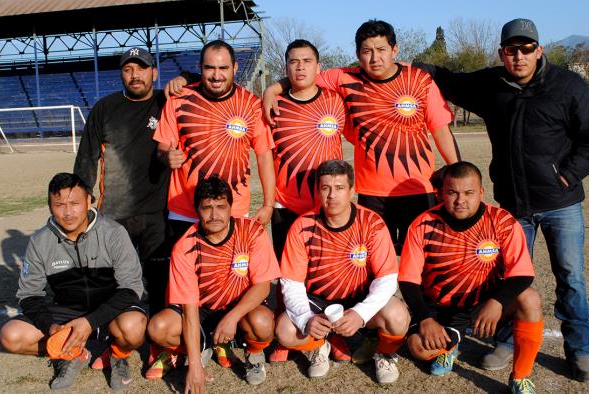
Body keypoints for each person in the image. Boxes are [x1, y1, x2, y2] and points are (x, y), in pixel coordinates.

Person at [414, 18, 589, 382]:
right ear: (502, 53)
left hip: (560, 203)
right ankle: (504, 341)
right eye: (510, 50)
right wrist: (416, 68)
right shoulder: (492, 85)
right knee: (504, 276)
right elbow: (451, 80)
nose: (518, 57)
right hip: (513, 206)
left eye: (526, 49)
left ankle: (579, 351)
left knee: (572, 278)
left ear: (539, 50)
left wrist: (566, 175)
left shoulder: (567, 85)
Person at [263, 20, 460, 257]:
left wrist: (458, 173)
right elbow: (304, 75)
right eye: (367, 51)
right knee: (372, 264)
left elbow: (441, 131)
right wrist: (272, 89)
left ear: (394, 50)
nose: (375, 58)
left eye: (381, 49)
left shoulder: (420, 80)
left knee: (424, 262)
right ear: (358, 54)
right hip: (371, 195)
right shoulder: (345, 78)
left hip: (419, 190)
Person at [399, 162, 544, 394]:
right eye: (452, 193)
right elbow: (408, 280)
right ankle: (449, 347)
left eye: (468, 193)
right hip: (443, 308)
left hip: (486, 304)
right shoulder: (422, 224)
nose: (460, 200)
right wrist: (426, 319)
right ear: (441, 193)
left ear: (481, 193)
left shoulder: (502, 221)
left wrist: (496, 302)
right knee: (418, 348)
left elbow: (523, 274)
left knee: (530, 299)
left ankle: (521, 376)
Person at [0, 173, 146, 391]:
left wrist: (90, 321)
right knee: (10, 336)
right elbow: (29, 295)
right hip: (67, 312)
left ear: (88, 201)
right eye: (59, 205)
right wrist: (50, 326)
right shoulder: (40, 241)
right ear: (50, 207)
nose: (67, 212)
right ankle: (74, 354)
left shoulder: (114, 233)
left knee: (134, 327)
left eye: (75, 203)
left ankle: (117, 355)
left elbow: (132, 288)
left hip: (111, 311)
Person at [275, 160, 409, 385]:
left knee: (398, 316)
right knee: (284, 330)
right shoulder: (302, 226)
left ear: (351, 191)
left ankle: (384, 352)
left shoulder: (372, 223)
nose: (332, 195)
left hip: (360, 297)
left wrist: (360, 313)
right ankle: (320, 346)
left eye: (339, 188)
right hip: (318, 301)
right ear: (318, 191)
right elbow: (291, 283)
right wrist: (307, 319)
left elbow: (386, 279)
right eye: (325, 188)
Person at [146, 176, 280, 390]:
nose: (215, 215)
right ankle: (201, 348)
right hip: (201, 310)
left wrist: (232, 317)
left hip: (239, 307)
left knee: (263, 322)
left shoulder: (252, 231)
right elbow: (189, 310)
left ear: (230, 207)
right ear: (197, 209)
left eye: (221, 206)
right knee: (158, 328)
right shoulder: (185, 247)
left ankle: (253, 353)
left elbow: (263, 285)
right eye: (207, 207)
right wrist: (196, 367)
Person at [264, 39, 348, 363]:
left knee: (329, 272)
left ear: (318, 66)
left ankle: (336, 333)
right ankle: (289, 336)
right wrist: (273, 90)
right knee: (289, 275)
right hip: (287, 204)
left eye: (306, 61)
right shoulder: (274, 105)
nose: (300, 67)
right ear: (285, 68)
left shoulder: (336, 102)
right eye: (293, 61)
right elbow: (266, 157)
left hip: (327, 206)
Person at [73, 47, 171, 319]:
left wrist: (184, 78)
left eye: (141, 68)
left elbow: (204, 84)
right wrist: (83, 202)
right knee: (116, 282)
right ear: (121, 75)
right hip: (116, 215)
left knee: (160, 280)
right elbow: (86, 160)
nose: (135, 75)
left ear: (154, 72)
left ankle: (158, 341)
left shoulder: (167, 103)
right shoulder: (105, 109)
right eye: (128, 70)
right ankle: (116, 341)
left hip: (158, 212)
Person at [154, 39, 275, 237]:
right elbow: (162, 147)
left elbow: (264, 156)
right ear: (199, 67)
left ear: (234, 67)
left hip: (233, 209)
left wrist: (268, 204)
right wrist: (166, 156)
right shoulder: (178, 100)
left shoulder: (252, 105)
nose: (217, 75)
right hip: (184, 211)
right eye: (210, 68)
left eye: (223, 68)